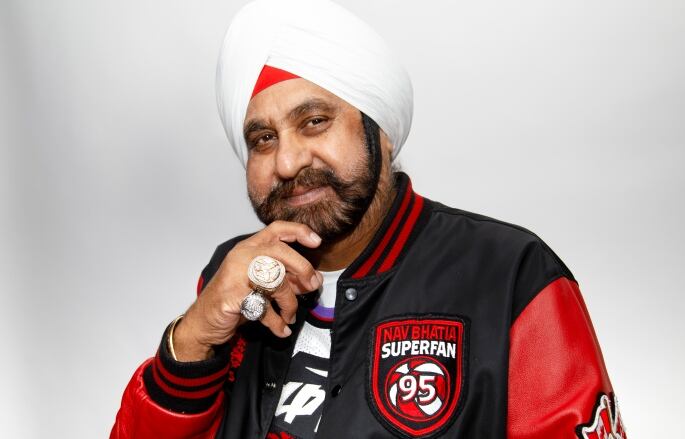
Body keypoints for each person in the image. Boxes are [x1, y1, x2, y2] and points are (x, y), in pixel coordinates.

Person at [110, 0, 627, 438]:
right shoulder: (235, 271)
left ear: (380, 132)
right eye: (263, 139)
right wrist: (194, 336)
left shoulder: (509, 273)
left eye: (314, 122)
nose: (287, 163)